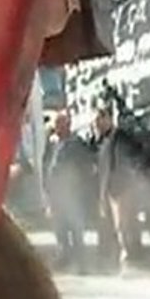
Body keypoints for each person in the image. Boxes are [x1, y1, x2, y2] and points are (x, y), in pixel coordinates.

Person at [93, 108, 147, 270]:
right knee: (118, 227)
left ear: (108, 118)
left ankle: (132, 259)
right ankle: (126, 258)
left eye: (99, 120)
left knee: (125, 225)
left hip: (122, 189)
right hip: (111, 190)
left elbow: (129, 161)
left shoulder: (120, 137)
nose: (97, 125)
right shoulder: (104, 141)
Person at [43, 111, 95, 272]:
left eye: (61, 123)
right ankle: (64, 257)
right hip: (56, 193)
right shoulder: (51, 143)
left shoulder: (76, 143)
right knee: (60, 228)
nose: (57, 127)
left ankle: (82, 263)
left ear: (68, 125)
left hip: (73, 192)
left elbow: (85, 167)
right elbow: (46, 165)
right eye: (56, 124)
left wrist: (80, 187)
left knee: (75, 227)